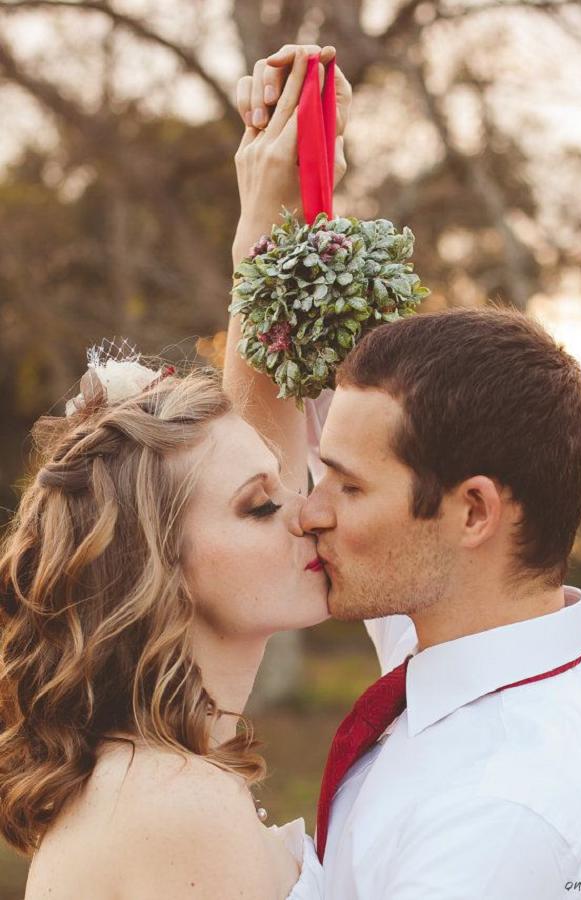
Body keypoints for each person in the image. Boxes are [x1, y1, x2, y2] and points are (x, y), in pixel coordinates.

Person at [236, 49, 581, 900]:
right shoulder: (456, 634)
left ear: (473, 513)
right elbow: (292, 413)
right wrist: (279, 194)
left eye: (350, 489)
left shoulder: (496, 820)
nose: (307, 511)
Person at [0, 44, 351, 900]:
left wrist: (269, 213)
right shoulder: (177, 806)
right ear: (158, 569)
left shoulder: (159, 775)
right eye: (263, 507)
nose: (307, 512)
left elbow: (249, 451)